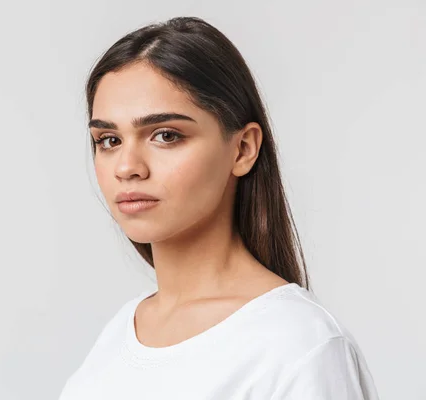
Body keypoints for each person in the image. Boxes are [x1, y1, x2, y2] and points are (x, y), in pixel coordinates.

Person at [58, 16, 380, 400]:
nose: (127, 167)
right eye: (108, 140)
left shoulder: (299, 346)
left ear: (243, 149)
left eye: (166, 135)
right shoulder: (119, 335)